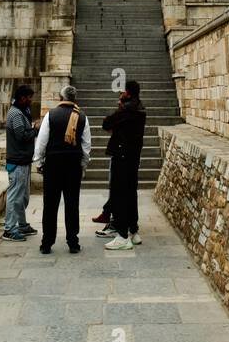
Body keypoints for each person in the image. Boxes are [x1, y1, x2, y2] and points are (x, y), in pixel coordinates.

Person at [34, 84, 91, 254]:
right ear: (75, 99)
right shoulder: (82, 117)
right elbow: (86, 145)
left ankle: (47, 242)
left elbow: (42, 141)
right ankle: (73, 242)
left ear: (61, 98)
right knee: (72, 203)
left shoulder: (51, 115)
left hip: (53, 164)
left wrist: (39, 162)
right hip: (73, 165)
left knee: (50, 204)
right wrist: (83, 164)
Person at [102, 80, 147, 251]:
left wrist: (120, 106)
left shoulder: (127, 109)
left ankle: (122, 235)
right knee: (130, 192)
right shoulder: (140, 108)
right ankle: (134, 231)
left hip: (121, 155)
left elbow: (106, 124)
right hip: (134, 156)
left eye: (123, 91)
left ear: (127, 92)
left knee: (119, 193)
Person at [3, 85, 38, 241]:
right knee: (15, 195)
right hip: (17, 160)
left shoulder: (22, 111)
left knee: (22, 196)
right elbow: (21, 136)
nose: (31, 100)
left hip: (23, 159)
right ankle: (9, 229)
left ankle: (22, 225)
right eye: (29, 97)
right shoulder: (16, 114)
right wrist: (35, 129)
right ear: (23, 98)